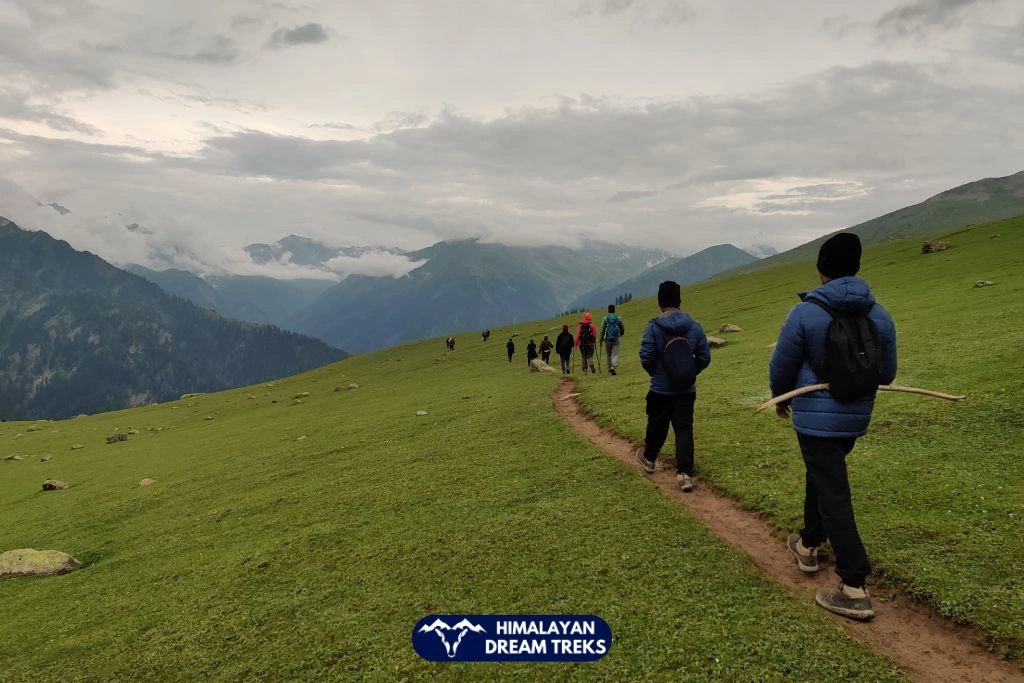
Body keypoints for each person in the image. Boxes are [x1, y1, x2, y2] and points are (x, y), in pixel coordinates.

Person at [769, 232, 897, 622]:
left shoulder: (805, 313)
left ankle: (854, 585)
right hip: (854, 418)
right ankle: (808, 544)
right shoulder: (880, 314)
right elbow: (887, 373)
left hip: (815, 417)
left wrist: (782, 398)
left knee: (833, 491)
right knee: (824, 477)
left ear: (821, 267)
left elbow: (782, 367)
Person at [635, 281, 711, 493]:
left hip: (660, 389)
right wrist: (688, 372)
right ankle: (684, 474)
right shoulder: (694, 325)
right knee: (684, 429)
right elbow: (705, 356)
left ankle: (649, 459)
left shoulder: (653, 326)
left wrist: (657, 374)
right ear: (679, 300)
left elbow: (646, 356)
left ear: (660, 302)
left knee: (657, 425)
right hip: (686, 390)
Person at [599, 304, 625, 375]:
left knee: (608, 354)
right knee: (615, 353)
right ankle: (613, 366)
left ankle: (609, 367)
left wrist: (600, 340)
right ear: (614, 310)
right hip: (616, 338)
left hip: (607, 339)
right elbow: (621, 327)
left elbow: (602, 329)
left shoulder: (605, 319)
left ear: (608, 310)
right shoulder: (618, 318)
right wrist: (621, 333)